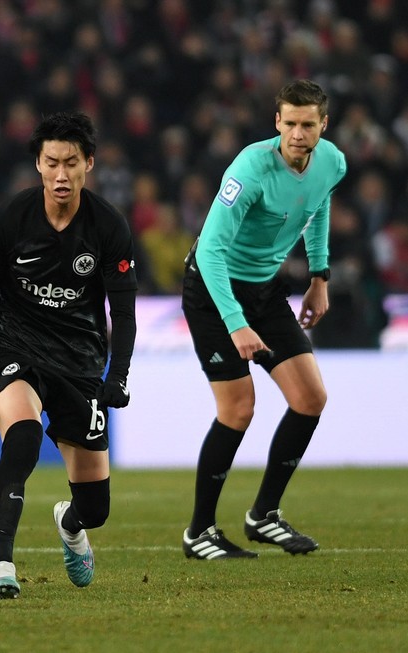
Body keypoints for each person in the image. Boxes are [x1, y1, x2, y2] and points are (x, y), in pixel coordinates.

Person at [0, 112, 138, 598]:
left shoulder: (108, 226)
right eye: (52, 162)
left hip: (81, 364)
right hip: (17, 349)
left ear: (89, 164)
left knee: (96, 509)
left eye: (72, 162)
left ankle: (70, 525)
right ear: (38, 165)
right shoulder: (11, 218)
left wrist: (119, 375)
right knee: (21, 438)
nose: (62, 174)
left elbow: (124, 313)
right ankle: (1, 568)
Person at [180, 79, 346, 559]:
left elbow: (319, 206)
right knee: (239, 408)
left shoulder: (332, 162)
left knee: (311, 397)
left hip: (266, 289)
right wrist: (235, 322)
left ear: (322, 126)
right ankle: (199, 532)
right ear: (277, 122)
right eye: (289, 123)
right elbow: (211, 250)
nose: (297, 133)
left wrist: (320, 274)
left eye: (307, 124)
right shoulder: (250, 168)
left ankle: (263, 515)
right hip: (214, 289)